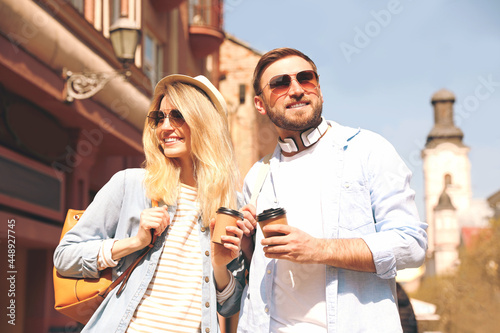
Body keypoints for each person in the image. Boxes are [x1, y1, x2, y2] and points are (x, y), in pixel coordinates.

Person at [235, 48, 428, 332]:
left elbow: (412, 245)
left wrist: (317, 249)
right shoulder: (257, 176)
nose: (297, 89)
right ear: (260, 104)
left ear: (320, 90)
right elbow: (255, 273)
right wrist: (244, 244)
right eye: (280, 83)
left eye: (306, 78)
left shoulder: (368, 150)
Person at [54, 74, 246, 332]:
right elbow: (64, 256)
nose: (165, 127)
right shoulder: (131, 184)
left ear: (204, 123)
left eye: (177, 115)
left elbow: (229, 305)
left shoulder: (229, 203)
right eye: (160, 118)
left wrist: (220, 267)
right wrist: (134, 243)